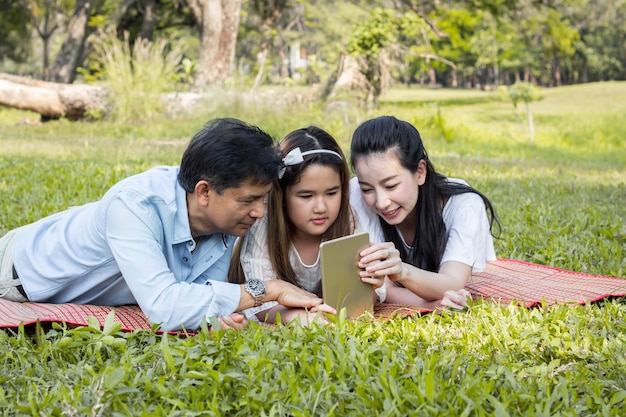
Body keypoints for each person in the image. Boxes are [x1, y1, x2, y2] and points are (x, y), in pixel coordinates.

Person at [0, 118, 334, 332]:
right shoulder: (134, 205)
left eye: (263, 199)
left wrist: (238, 323)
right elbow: (163, 307)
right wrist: (267, 290)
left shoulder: (225, 224)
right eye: (248, 200)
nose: (259, 212)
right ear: (204, 191)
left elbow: (205, 297)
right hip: (15, 275)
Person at [229, 126, 386, 324]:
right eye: (306, 196)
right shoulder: (264, 223)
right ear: (283, 195)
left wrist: (369, 283)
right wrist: (300, 318)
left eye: (331, 193)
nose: (321, 207)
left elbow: (362, 300)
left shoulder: (347, 219)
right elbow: (261, 304)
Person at [349, 115, 500, 309]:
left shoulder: (464, 205)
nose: (381, 202)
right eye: (367, 189)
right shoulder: (355, 196)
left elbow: (452, 281)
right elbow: (384, 290)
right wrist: (430, 304)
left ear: (420, 172)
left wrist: (401, 271)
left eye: (391, 185)